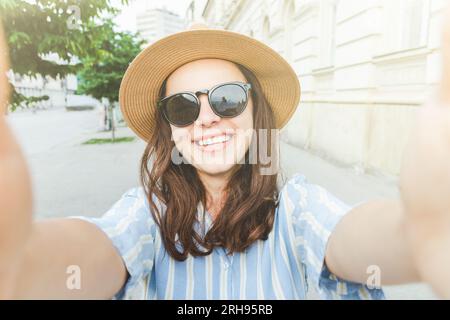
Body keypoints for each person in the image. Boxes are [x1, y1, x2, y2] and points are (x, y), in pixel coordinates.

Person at [0, 18, 449, 299]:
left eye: (228, 99)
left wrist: (420, 231)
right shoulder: (147, 215)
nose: (208, 119)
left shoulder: (295, 208)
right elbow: (94, 253)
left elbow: (353, 239)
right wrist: (22, 263)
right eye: (184, 106)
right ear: (170, 129)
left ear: (256, 113)